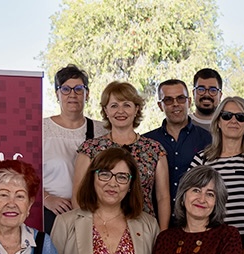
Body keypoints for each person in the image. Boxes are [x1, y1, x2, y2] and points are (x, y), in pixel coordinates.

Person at [73, 81, 172, 229]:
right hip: (99, 229)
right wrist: (87, 229)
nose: (121, 111)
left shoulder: (155, 149)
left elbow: (163, 197)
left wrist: (162, 235)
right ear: (106, 111)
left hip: (143, 230)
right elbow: (78, 196)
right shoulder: (90, 149)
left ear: (136, 109)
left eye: (126, 105)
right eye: (114, 106)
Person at [190, 96, 244, 245]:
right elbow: (190, 201)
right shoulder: (202, 159)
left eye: (241, 117)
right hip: (209, 239)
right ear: (218, 123)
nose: (233, 121)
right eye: (227, 116)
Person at [43, 65, 101, 232]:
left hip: (92, 213)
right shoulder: (41, 129)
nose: (72, 95)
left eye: (78, 89)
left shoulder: (102, 130)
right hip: (53, 213)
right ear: (57, 94)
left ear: (87, 94)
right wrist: (46, 199)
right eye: (66, 89)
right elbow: (26, 173)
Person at [144, 79, 213, 202]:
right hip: (155, 219)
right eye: (168, 100)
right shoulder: (147, 142)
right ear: (160, 106)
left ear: (189, 101)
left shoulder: (208, 139)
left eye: (181, 98)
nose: (175, 104)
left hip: (195, 217)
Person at [190, 68, 223, 133]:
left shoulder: (229, 126)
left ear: (220, 95)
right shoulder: (182, 125)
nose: (207, 94)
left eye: (213, 90)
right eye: (201, 89)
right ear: (193, 93)